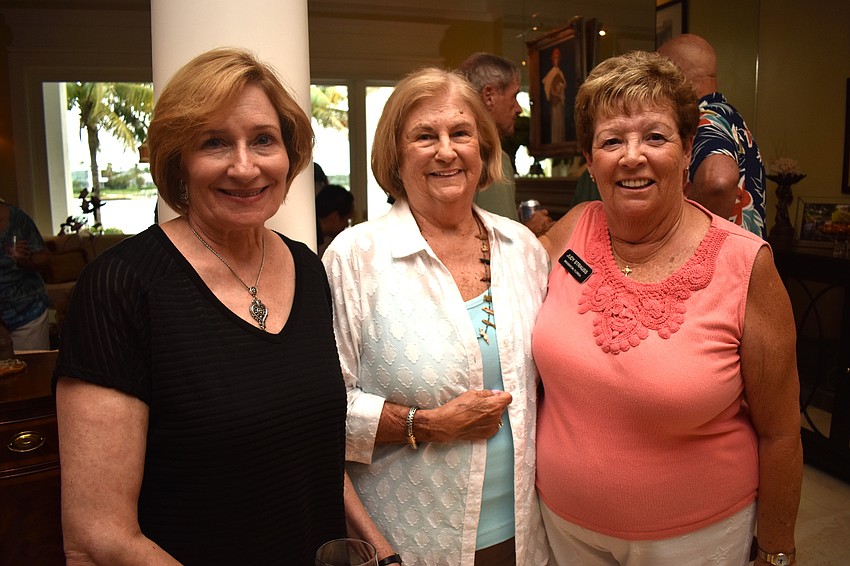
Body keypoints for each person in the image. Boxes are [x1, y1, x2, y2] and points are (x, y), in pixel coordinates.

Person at [54, 48, 346, 565]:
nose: (244, 165)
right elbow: (98, 535)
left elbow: (310, 457)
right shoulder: (120, 286)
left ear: (290, 154)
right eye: (214, 142)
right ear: (178, 160)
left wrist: (384, 551)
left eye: (263, 140)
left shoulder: (307, 267)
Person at [535, 51, 802, 566]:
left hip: (696, 541)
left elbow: (780, 432)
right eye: (612, 140)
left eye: (655, 137)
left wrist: (776, 551)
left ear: (687, 151)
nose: (632, 156)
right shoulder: (572, 233)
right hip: (564, 531)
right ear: (590, 161)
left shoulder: (746, 266)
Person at [322, 67, 550, 566]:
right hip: (411, 539)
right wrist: (425, 425)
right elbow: (320, 409)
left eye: (461, 133)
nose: (446, 150)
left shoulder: (524, 249)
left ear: (483, 149)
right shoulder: (354, 258)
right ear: (395, 155)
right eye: (425, 136)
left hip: (528, 535)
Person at [658, 34, 767, 237]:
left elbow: (718, 182)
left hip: (720, 263)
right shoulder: (728, 115)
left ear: (674, 74)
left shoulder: (706, 118)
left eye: (656, 75)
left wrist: (685, 238)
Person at [458, 52, 553, 236]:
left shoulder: (454, 150)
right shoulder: (492, 157)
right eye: (514, 96)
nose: (518, 109)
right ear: (489, 96)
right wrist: (529, 231)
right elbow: (500, 243)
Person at [1, 200, 52, 351]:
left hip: (27, 315)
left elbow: (45, 259)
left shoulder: (17, 220)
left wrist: (25, 260)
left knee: (32, 370)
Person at [316, 183, 354, 256]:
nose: (347, 225)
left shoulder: (315, 236)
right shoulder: (312, 240)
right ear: (335, 217)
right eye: (347, 219)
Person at [542, 47, 567, 144]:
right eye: (555, 58)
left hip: (560, 102)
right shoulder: (552, 73)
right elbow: (547, 85)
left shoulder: (559, 72)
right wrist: (555, 94)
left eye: (558, 58)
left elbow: (563, 84)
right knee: (555, 122)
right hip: (555, 102)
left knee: (560, 123)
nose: (556, 60)